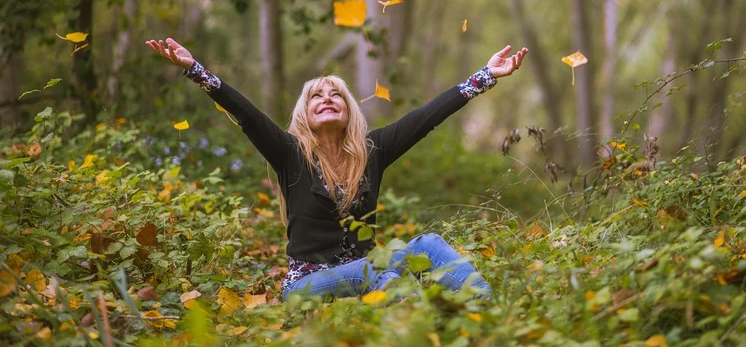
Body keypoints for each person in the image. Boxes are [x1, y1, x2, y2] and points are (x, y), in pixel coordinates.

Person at [145, 38, 527, 302]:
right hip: (307, 285)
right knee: (384, 274)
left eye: (336, 95)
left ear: (348, 111)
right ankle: (418, 319)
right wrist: (194, 68)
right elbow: (245, 114)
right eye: (316, 96)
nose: (327, 99)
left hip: (370, 271)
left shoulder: (372, 151)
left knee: (423, 247)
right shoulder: (290, 153)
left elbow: (427, 116)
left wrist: (486, 76)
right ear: (304, 114)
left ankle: (485, 310)